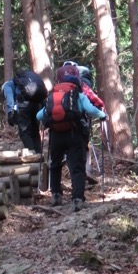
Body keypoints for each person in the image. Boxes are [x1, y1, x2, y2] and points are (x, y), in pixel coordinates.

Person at [36, 65, 107, 212]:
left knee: (55, 164)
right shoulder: (78, 94)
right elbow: (90, 109)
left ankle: (56, 195)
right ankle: (77, 198)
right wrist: (102, 115)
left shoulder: (53, 95)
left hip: (56, 134)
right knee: (77, 167)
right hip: (74, 133)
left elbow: (39, 116)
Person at [63, 61, 106, 183]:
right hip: (82, 118)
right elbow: (93, 98)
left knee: (67, 146)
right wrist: (102, 111)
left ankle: (73, 172)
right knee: (84, 144)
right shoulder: (81, 83)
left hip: (62, 121)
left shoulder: (59, 84)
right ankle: (86, 170)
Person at [1, 69, 47, 154]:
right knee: (35, 131)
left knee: (25, 132)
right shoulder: (23, 82)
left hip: (24, 106)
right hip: (37, 104)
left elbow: (10, 99)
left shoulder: (7, 85)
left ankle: (32, 155)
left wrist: (10, 113)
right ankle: (39, 155)